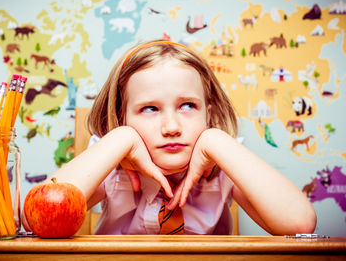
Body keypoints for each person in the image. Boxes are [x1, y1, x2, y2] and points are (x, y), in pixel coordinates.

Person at [26, 39, 316, 235]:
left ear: (208, 112)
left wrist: (214, 139)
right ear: (122, 116)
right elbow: (34, 220)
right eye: (149, 108)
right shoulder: (111, 165)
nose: (171, 126)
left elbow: (300, 224)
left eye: (188, 106)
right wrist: (120, 139)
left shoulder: (224, 166)